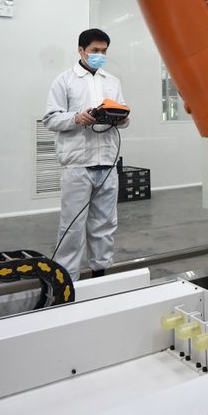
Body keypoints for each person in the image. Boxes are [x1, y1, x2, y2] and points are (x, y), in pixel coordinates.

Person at [43, 28, 129, 280]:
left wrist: (122, 119)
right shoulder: (64, 81)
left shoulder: (112, 82)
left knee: (105, 222)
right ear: (81, 50)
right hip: (78, 163)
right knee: (72, 225)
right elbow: (50, 119)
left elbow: (123, 113)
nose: (100, 55)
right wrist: (76, 118)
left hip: (107, 162)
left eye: (104, 51)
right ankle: (67, 278)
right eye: (95, 50)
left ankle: (100, 272)